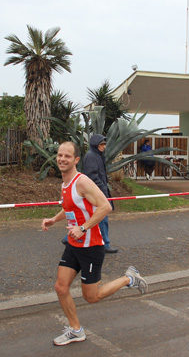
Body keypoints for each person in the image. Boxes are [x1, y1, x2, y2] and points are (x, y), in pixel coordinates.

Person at [42, 142, 147, 346]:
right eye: (60, 155)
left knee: (91, 296)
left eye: (67, 156)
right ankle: (76, 330)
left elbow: (105, 206)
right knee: (61, 287)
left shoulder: (82, 181)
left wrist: (82, 228)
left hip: (91, 247)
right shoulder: (65, 183)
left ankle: (129, 278)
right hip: (74, 244)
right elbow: (71, 207)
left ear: (76, 160)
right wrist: (54, 220)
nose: (62, 159)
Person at [83, 134, 118, 253]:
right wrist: (102, 189)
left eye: (104, 144)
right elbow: (92, 176)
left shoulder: (95, 155)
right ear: (95, 145)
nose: (104, 146)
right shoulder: (92, 156)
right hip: (97, 193)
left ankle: (69, 238)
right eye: (101, 144)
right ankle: (105, 244)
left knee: (90, 217)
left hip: (96, 192)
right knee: (102, 218)